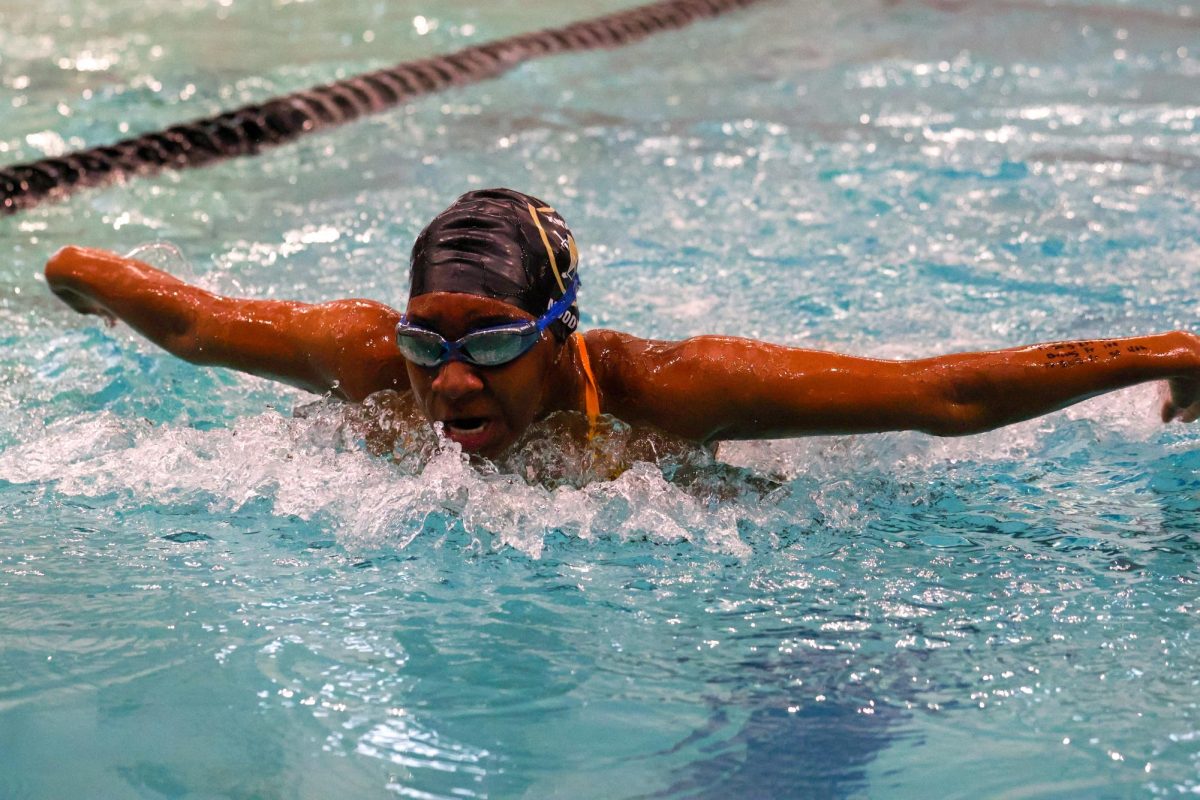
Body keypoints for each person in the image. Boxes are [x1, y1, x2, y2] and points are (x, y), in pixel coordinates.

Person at [44, 187, 1200, 461]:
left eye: (491, 340)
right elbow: (194, 325)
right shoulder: (368, 359)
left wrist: (1169, 353)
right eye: (427, 339)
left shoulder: (669, 386)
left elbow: (939, 394)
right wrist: (70, 267)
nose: (448, 380)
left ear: (559, 329)